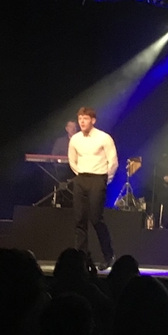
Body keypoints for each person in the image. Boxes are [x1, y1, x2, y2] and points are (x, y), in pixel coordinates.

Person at [68, 107, 117, 269]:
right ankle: (80, 258)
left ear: (93, 120)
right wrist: (79, 175)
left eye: (85, 118)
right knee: (79, 219)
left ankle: (108, 255)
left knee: (96, 218)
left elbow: (113, 161)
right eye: (80, 118)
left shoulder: (104, 138)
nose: (82, 121)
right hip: (81, 178)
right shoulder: (75, 139)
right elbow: (72, 159)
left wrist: (105, 179)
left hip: (98, 178)